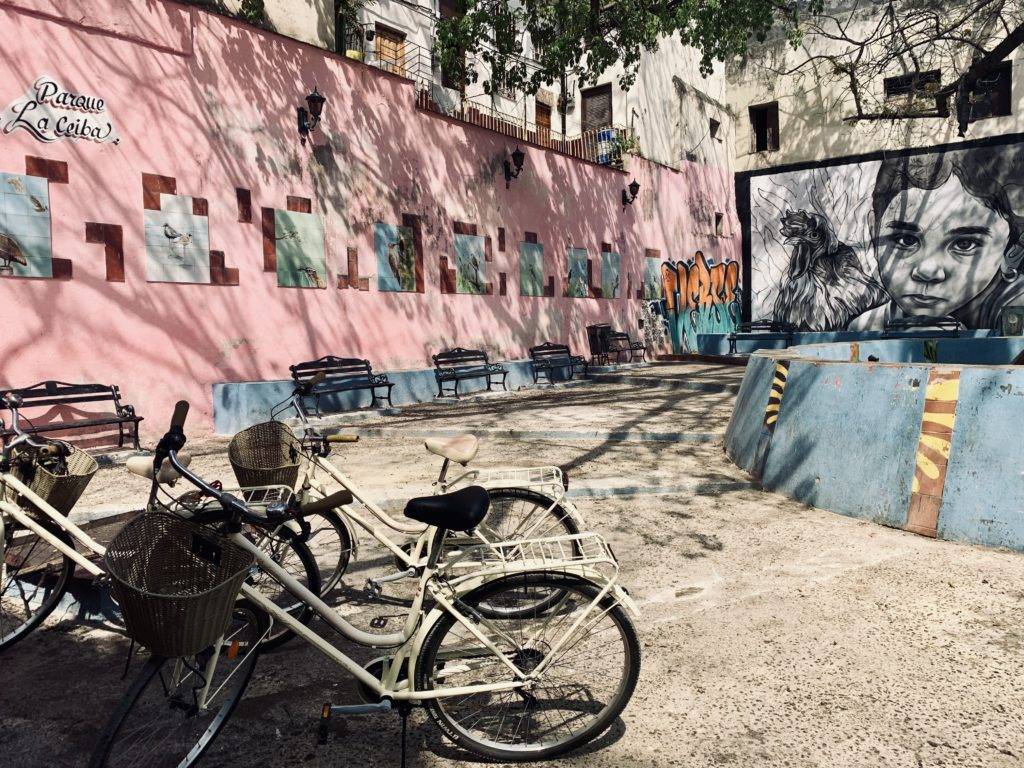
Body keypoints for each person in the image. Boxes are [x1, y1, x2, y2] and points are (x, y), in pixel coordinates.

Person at [850, 145, 1024, 330]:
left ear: (1011, 252)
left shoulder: (1015, 306)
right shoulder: (868, 327)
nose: (928, 271)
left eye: (964, 244)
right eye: (906, 240)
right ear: (873, 231)